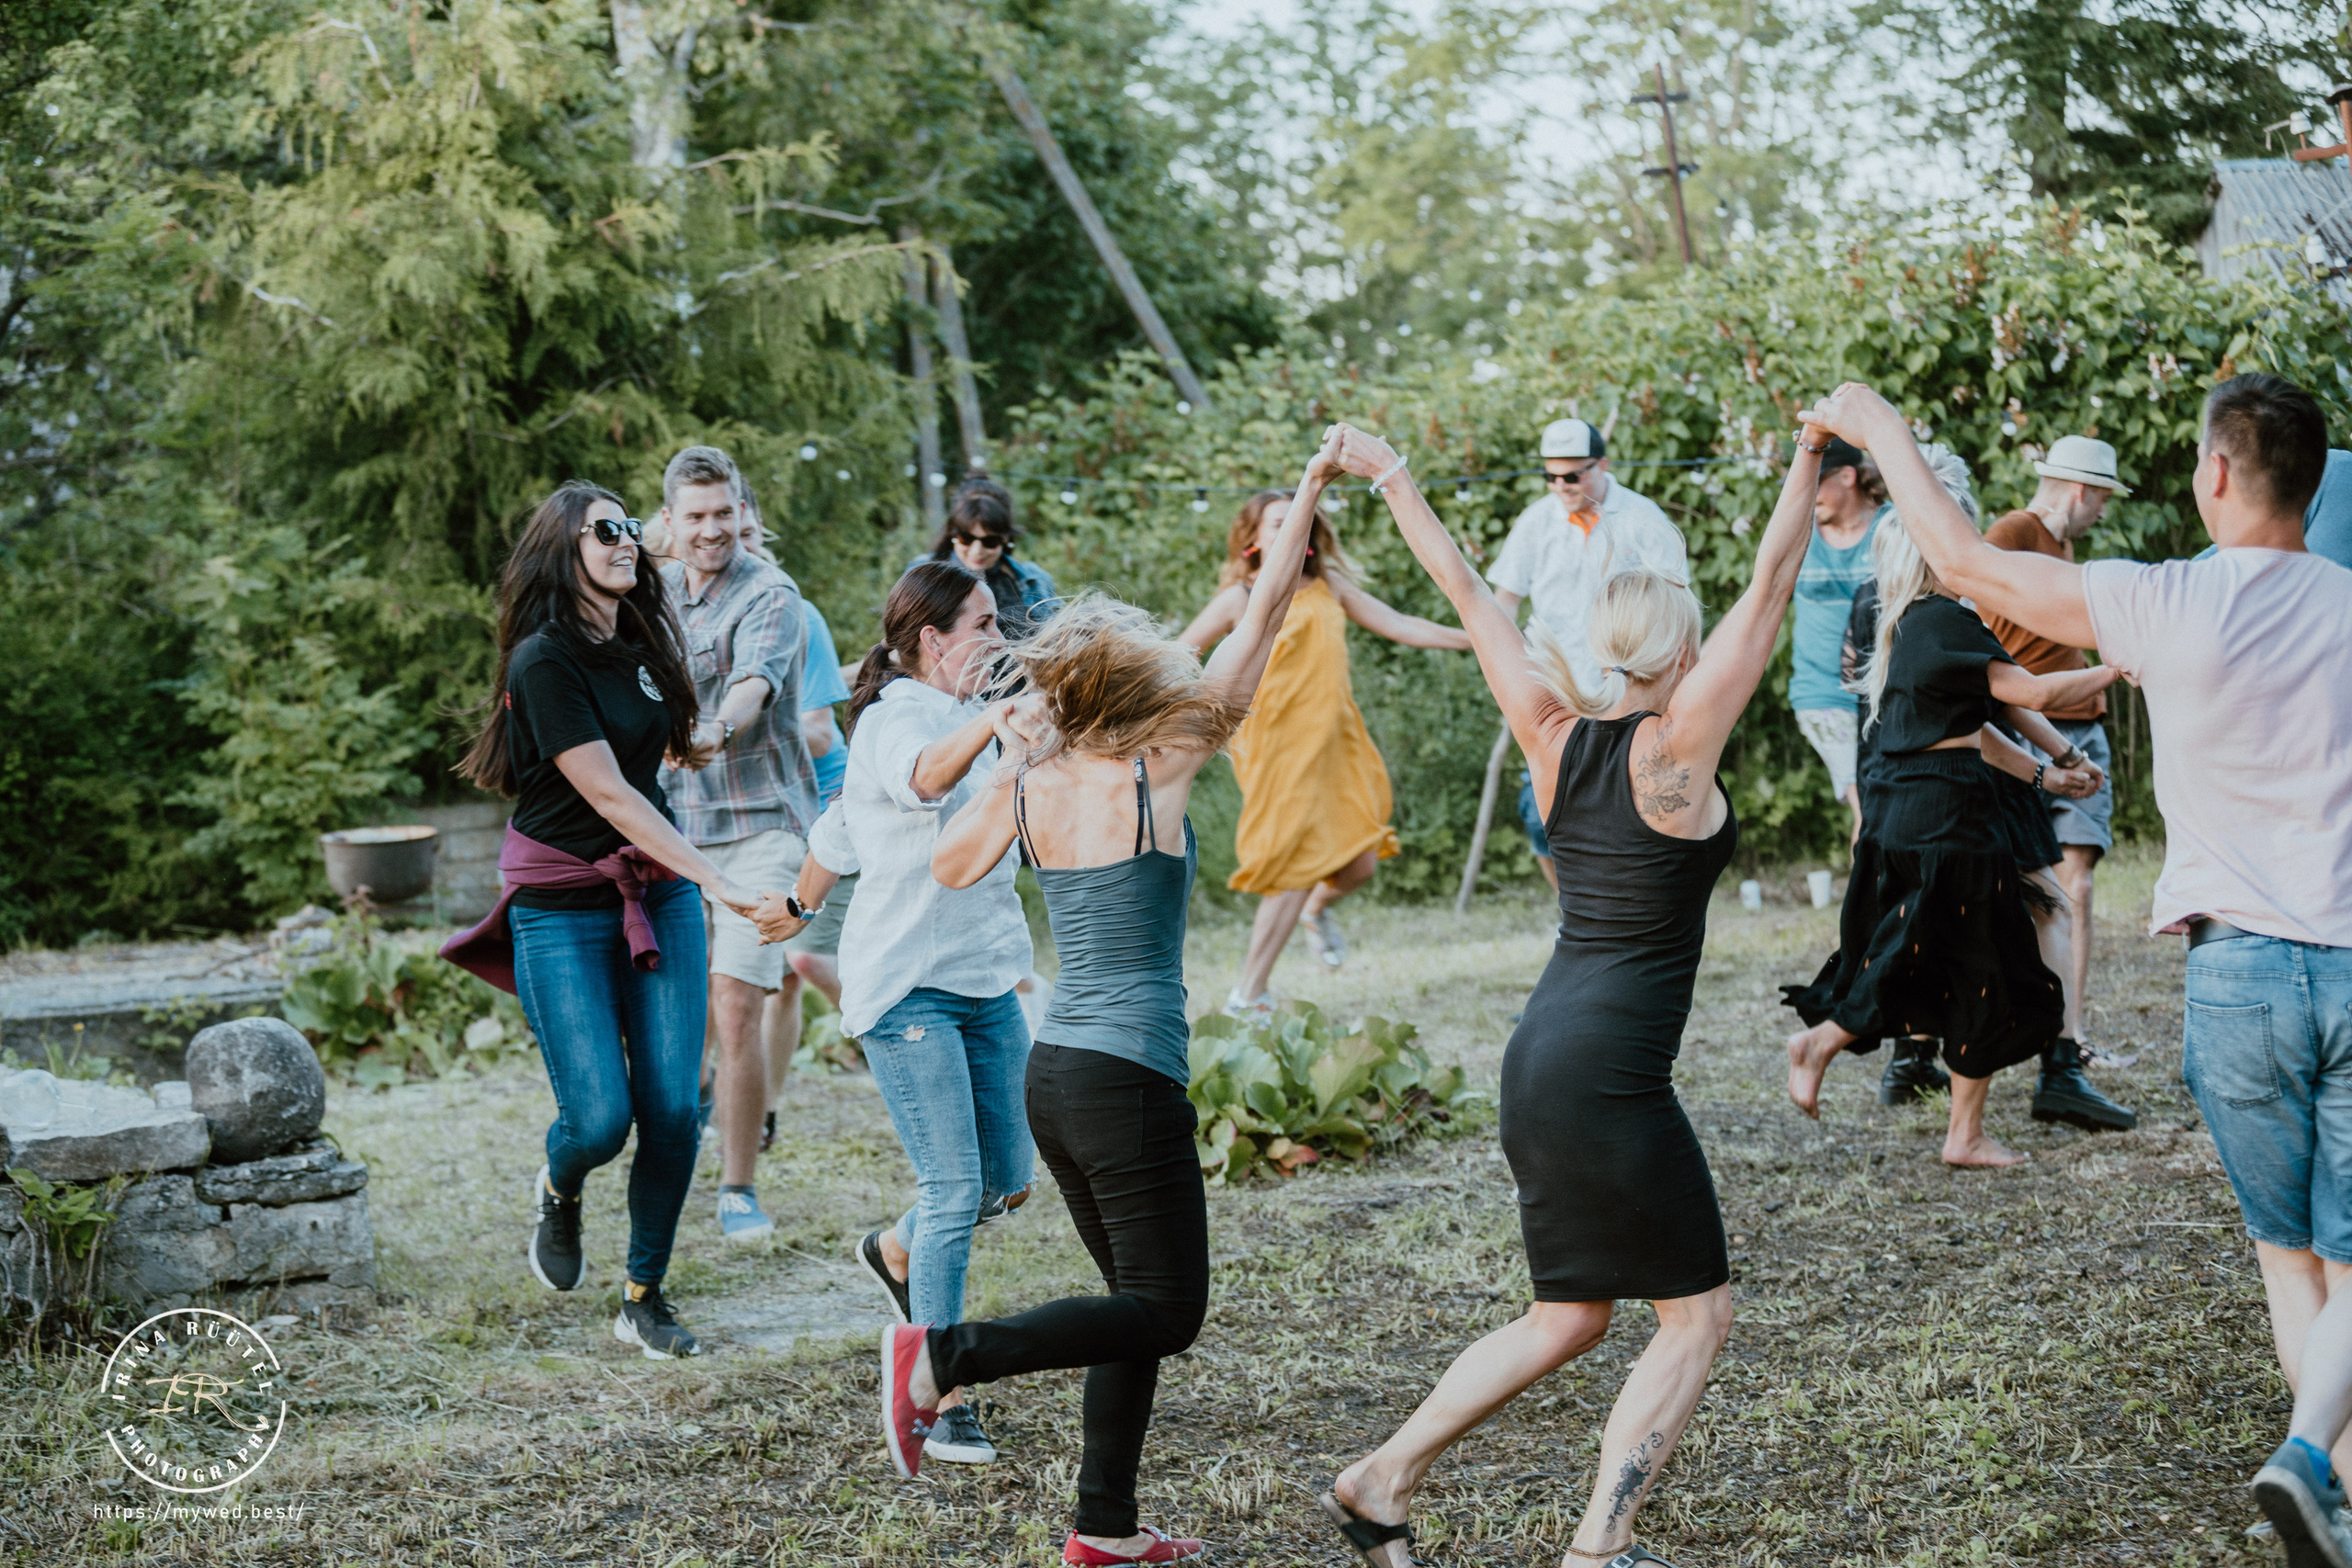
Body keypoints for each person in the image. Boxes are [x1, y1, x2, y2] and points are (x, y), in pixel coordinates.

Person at [1799, 373, 2352, 1564]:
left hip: (2240, 976)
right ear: (2313, 484)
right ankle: (2321, 1461)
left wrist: (1878, 423)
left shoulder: (2166, 602)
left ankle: (2319, 1468)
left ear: (2214, 472)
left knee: (2289, 1252)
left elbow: (1959, 556)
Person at [1314, 415, 1828, 1568]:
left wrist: (1391, 472)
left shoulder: (1551, 734)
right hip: (1604, 1076)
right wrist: (1807, 456)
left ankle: (1378, 1480)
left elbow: (1466, 592)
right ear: (1681, 655)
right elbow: (1774, 577)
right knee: (1694, 1315)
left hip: (1538, 1054)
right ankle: (1600, 1546)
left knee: (1569, 1316)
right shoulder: (1673, 750)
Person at [883, 443, 1336, 1567]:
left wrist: (1007, 761)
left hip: (1056, 1079)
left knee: (1129, 1300)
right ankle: (944, 1356)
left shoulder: (1033, 781)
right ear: (1132, 685)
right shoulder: (1158, 767)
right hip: (1127, 1079)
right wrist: (1313, 496)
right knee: (1166, 1309)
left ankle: (1105, 1530)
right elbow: (1265, 610)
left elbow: (948, 871)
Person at [441, 481, 773, 1360]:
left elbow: (665, 749)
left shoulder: (638, 636)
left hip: (655, 892)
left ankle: (642, 1294)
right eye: (608, 531)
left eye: (633, 528)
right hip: (560, 904)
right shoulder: (541, 661)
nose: (629, 542)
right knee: (598, 1119)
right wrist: (718, 879)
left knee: (670, 1109)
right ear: (565, 549)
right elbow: (607, 792)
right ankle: (560, 1183)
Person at [757, 559, 1036, 1469]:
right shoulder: (892, 719)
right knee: (955, 1189)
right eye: (985, 625)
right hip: (906, 986)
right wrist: (997, 721)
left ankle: (893, 1249)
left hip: (988, 979)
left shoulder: (981, 716)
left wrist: (797, 906)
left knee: (1007, 1180)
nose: (999, 638)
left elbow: (836, 835)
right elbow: (917, 782)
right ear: (932, 640)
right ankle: (941, 1394)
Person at [1782, 447, 2120, 1168]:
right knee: (1938, 957)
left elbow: (2003, 702)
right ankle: (1826, 1038)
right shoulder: (1943, 620)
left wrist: (2060, 760)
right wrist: (2122, 659)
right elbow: (2032, 692)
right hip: (1945, 819)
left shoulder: (1912, 621)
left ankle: (1963, 1133)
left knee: (1974, 964)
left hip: (1920, 810)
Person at [1179, 489, 1470, 1013]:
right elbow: (1181, 654)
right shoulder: (1239, 600)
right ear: (1252, 540)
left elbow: (1401, 625)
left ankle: (1315, 911)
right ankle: (1248, 996)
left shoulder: (1330, 587)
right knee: (1294, 864)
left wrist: (1478, 635)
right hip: (1277, 750)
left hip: (1337, 742)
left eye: (1299, 520)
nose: (1290, 529)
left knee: (1359, 865)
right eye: (1275, 523)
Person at [655, 446, 816, 1246]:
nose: (712, 529)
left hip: (760, 827)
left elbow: (753, 682)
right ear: (672, 521)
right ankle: (678, 1139)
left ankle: (738, 1184)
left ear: (742, 512)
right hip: (672, 827)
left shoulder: (771, 592)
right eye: (696, 516)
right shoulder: (647, 589)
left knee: (737, 1001)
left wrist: (715, 728)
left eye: (724, 513)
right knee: (670, 1010)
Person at [1978, 434, 2130, 1069]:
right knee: (2022, 891)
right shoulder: (2013, 531)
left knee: (2080, 885)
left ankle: (2071, 1038)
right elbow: (1968, 596)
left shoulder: (2065, 545)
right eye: (2103, 500)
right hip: (2027, 728)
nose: (2103, 513)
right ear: (2082, 490)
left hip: (2079, 728)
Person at [1489, 417, 1689, 891]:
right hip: (1556, 689)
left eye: (1573, 475)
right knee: (1541, 816)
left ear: (1602, 465)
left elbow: (1678, 602)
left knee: (1628, 804)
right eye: (1551, 476)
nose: (1561, 485)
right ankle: (1574, 907)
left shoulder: (1643, 518)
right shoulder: (1536, 521)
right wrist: (1511, 673)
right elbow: (1504, 603)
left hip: (1629, 689)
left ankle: (1628, 901)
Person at [727, 495, 854, 1151]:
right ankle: (760, 1109)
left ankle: (891, 1023)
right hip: (742, 816)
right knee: (767, 977)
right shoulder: (703, 616)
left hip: (817, 809)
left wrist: (734, 732)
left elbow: (820, 733)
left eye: (749, 532)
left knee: (797, 961)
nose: (737, 544)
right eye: (728, 532)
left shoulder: (795, 614)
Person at [1788, 437, 1883, 840]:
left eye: (1816, 483)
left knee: (1885, 803)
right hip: (1822, 694)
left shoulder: (1891, 527)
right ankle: (1869, 904)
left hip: (1887, 692)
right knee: (1868, 804)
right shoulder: (1798, 532)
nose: (1807, 495)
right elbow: (1760, 599)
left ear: (1847, 476)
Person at [917, 477, 1058, 638]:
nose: (977, 551)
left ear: (1005, 540)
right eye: (966, 539)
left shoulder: (1035, 579)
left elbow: (1056, 640)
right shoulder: (923, 573)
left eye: (990, 542)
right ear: (953, 534)